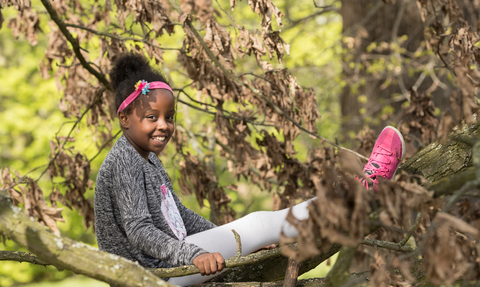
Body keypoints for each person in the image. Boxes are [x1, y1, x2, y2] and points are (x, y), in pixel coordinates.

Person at [94, 54, 405, 286]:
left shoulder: (146, 158)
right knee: (257, 223)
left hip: (165, 265)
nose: (163, 125)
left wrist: (241, 244)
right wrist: (192, 255)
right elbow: (139, 231)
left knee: (255, 230)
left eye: (169, 117)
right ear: (125, 118)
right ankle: (358, 193)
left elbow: (179, 215)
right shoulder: (123, 161)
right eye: (152, 117)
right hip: (149, 277)